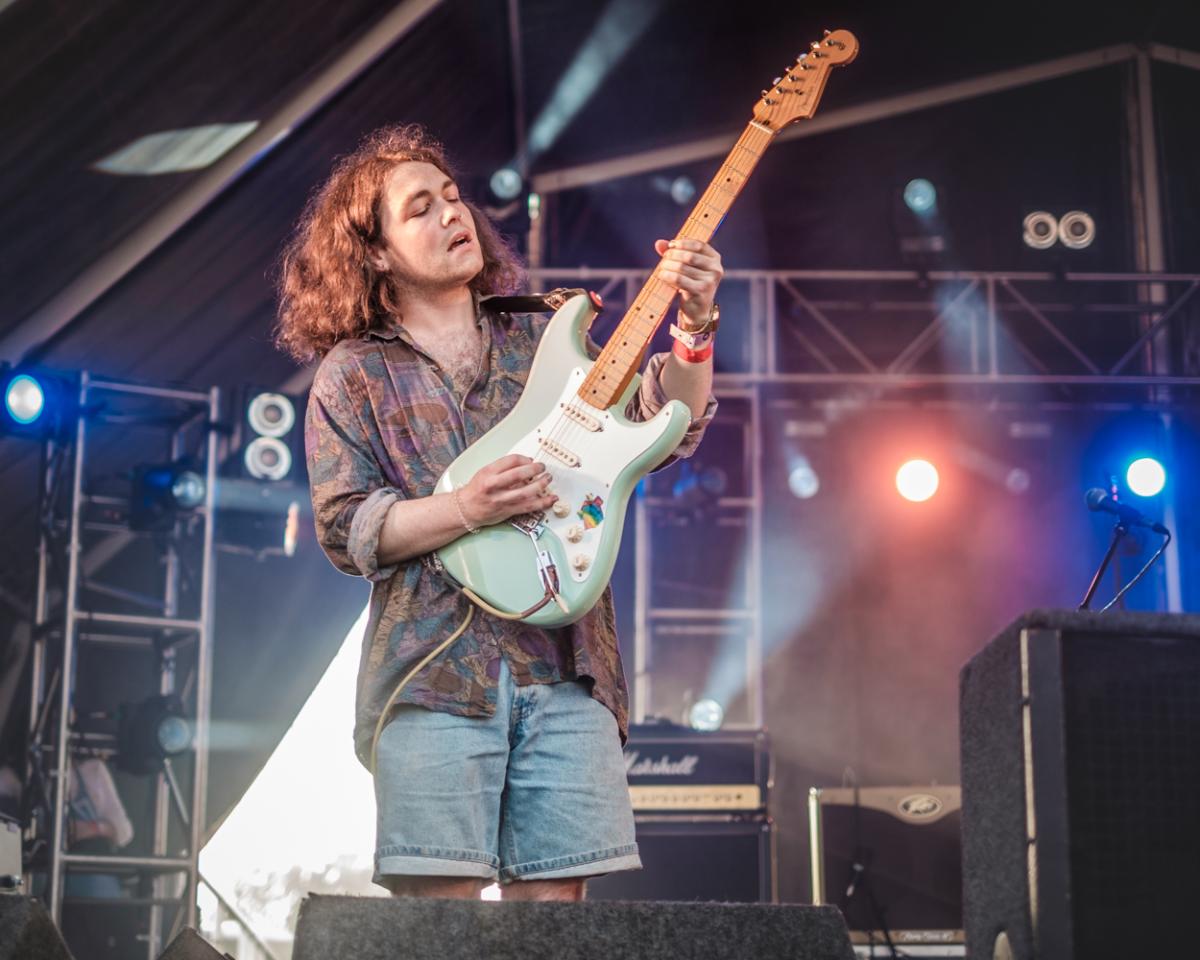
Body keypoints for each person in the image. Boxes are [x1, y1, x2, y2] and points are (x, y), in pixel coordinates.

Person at [275, 124, 721, 902]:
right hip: (430, 672)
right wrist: (464, 508)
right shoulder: (353, 374)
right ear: (374, 250)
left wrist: (694, 324)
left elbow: (663, 427)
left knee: (555, 928)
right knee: (437, 930)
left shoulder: (544, 336)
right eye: (421, 208)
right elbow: (347, 531)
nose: (454, 215)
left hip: (568, 668)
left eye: (453, 197)